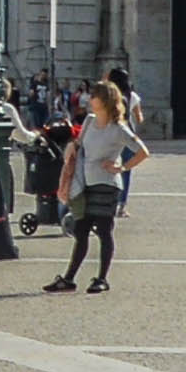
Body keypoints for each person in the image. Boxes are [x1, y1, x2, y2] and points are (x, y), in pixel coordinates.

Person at [47, 80, 140, 292]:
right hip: (85, 183)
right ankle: (69, 279)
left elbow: (142, 151)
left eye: (95, 95)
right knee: (81, 230)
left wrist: (122, 167)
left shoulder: (118, 129)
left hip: (107, 184)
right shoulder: (89, 121)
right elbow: (79, 143)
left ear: (105, 100)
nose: (90, 99)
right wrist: (72, 146)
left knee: (104, 230)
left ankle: (101, 278)